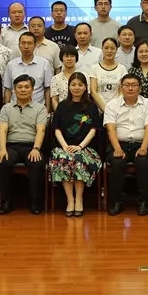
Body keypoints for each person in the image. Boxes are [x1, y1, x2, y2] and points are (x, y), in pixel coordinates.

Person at [49, 72, 102, 217]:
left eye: (80, 85)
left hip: (85, 147)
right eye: (73, 84)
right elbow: (56, 129)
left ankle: (79, 199)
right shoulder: (62, 106)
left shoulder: (91, 106)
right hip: (64, 146)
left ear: (85, 87)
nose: (76, 88)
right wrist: (65, 146)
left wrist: (80, 147)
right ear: (68, 87)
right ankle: (70, 200)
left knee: (78, 160)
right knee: (64, 158)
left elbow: (93, 129)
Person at [0, 74, 48, 215]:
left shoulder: (40, 108)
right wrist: (2, 149)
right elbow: (2, 130)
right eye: (19, 87)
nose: (23, 90)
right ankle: (6, 201)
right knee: (2, 162)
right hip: (11, 145)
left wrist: (36, 148)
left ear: (32, 89)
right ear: (14, 90)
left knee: (37, 163)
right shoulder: (6, 108)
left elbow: (41, 130)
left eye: (26, 87)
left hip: (31, 145)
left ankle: (35, 201)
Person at [104, 73, 148, 216]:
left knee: (143, 161)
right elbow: (110, 128)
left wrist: (144, 148)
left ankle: (144, 201)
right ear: (121, 88)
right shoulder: (112, 105)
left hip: (141, 143)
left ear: (140, 88)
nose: (130, 88)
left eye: (134, 85)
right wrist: (117, 149)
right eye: (127, 85)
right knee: (118, 162)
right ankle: (116, 201)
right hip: (118, 143)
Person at [3, 32, 52, 109]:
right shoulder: (11, 65)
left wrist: (47, 110)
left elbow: (48, 89)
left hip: (38, 109)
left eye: (29, 43)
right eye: (23, 43)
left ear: (35, 45)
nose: (26, 46)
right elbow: (8, 89)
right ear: (19, 45)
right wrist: (7, 110)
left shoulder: (44, 64)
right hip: (15, 108)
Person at [90, 37, 129, 112]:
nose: (109, 51)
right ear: (102, 49)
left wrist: (114, 109)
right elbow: (93, 91)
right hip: (98, 110)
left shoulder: (122, 69)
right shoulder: (95, 68)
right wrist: (105, 109)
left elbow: (122, 91)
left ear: (116, 50)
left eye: (112, 48)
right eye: (106, 48)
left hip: (117, 110)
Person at [51, 46, 79, 110]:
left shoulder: (84, 76)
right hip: (62, 112)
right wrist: (59, 113)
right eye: (66, 56)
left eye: (72, 56)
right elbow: (55, 100)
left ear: (76, 58)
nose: (69, 59)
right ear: (61, 58)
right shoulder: (55, 79)